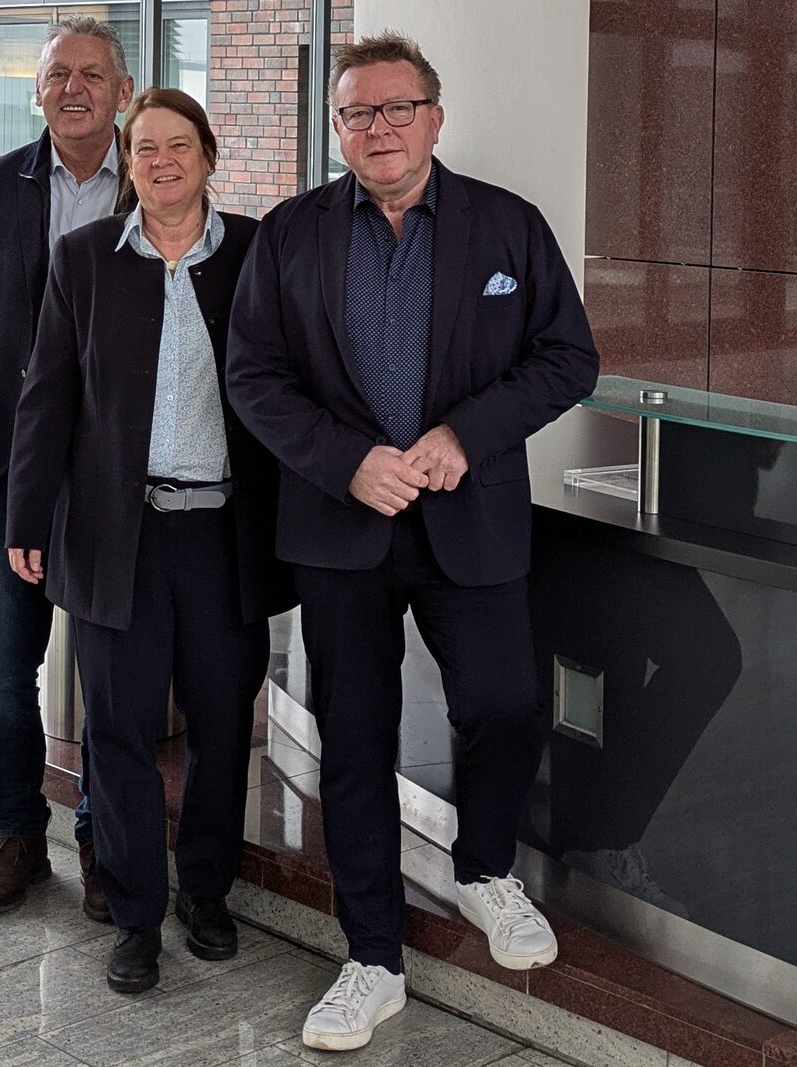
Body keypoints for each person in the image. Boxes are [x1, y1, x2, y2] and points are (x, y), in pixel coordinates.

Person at [225, 32, 599, 1051]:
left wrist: (461, 437)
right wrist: (346, 459)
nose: (378, 128)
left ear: (434, 117)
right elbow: (253, 376)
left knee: (504, 705)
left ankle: (481, 868)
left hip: (468, 519)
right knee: (354, 738)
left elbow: (569, 358)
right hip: (339, 525)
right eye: (357, 113)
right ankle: (371, 955)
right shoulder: (291, 234)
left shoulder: (507, 228)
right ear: (337, 128)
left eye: (397, 108)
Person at [7, 87, 294, 994]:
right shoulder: (85, 257)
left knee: (219, 723)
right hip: (114, 536)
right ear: (127, 165)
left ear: (209, 155)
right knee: (119, 731)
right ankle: (133, 912)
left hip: (223, 534)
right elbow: (48, 395)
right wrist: (26, 517)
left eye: (178, 145)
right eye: (143, 149)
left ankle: (206, 891)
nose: (160, 161)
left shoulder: (256, 253)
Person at [0, 15, 134, 920]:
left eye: (92, 74)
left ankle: (99, 836)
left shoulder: (159, 178)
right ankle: (19, 831)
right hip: (17, 463)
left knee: (107, 669)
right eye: (58, 75)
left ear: (122, 90)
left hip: (124, 473)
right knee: (3, 662)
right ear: (38, 91)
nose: (74, 89)